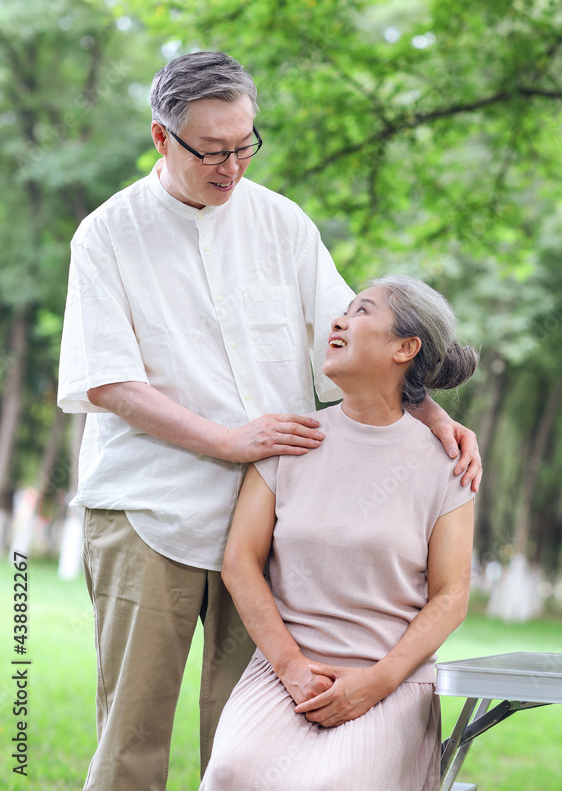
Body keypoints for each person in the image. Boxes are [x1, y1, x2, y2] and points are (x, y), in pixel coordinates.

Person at [57, 51, 482, 791]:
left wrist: (435, 413)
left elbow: (360, 339)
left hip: (270, 529)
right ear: (162, 139)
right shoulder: (107, 234)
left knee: (249, 741)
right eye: (211, 151)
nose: (231, 166)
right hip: (147, 509)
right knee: (132, 740)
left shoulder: (282, 222)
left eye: (245, 144)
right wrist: (226, 440)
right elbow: (109, 382)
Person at [201, 275, 477, 791]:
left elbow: (451, 595)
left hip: (390, 682)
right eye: (343, 311)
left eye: (362, 311)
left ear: (405, 348)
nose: (339, 320)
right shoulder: (291, 439)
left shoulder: (445, 465)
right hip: (286, 673)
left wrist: (375, 684)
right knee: (232, 772)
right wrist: (291, 668)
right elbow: (239, 561)